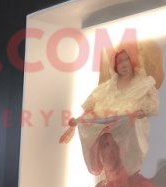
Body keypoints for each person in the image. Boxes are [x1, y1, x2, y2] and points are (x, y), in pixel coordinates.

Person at [60, 43, 159, 179]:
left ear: (133, 61)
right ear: (114, 66)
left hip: (130, 144)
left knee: (127, 181)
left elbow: (153, 107)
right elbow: (90, 111)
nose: (123, 65)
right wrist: (82, 120)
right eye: (119, 62)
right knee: (109, 182)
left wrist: (140, 113)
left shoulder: (145, 84)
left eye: (126, 60)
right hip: (106, 145)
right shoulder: (104, 89)